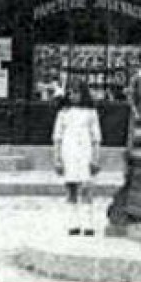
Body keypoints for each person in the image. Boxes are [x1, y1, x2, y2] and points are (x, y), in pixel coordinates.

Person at [53, 83, 103, 236]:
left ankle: (88, 223)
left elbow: (96, 137)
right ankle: (73, 223)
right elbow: (57, 137)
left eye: (76, 92)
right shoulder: (63, 113)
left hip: (85, 149)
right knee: (71, 188)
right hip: (69, 150)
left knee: (87, 187)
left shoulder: (90, 113)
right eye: (70, 93)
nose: (73, 96)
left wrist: (95, 158)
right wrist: (57, 159)